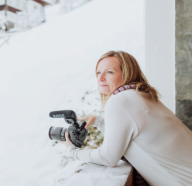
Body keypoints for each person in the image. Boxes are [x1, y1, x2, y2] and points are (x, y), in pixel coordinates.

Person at [60, 51, 192, 186]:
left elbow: (108, 158)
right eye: (98, 73)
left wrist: (74, 151)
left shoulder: (119, 100)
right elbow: (133, 134)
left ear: (127, 73)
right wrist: (98, 121)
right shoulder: (142, 94)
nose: (100, 79)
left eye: (109, 72)